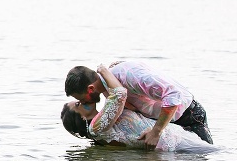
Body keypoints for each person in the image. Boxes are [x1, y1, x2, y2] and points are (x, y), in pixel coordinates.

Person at [62, 64, 216, 153]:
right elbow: (119, 96)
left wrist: (156, 131)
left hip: (187, 115)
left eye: (80, 100)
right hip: (165, 130)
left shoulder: (127, 76)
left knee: (208, 157)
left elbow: (174, 95)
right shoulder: (100, 119)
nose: (82, 102)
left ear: (90, 89)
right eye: (78, 103)